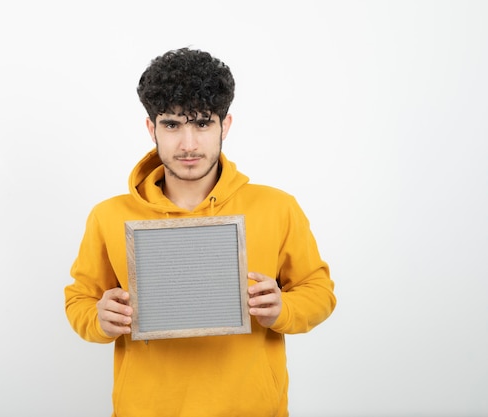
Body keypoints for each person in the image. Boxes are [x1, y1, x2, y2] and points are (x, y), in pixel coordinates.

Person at [64, 47, 336, 417]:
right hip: (146, 409)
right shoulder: (109, 216)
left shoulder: (277, 207)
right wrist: (100, 317)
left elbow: (319, 291)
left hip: (252, 409)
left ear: (225, 125)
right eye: (172, 124)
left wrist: (283, 308)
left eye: (203, 123)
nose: (188, 144)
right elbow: (79, 300)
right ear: (151, 128)